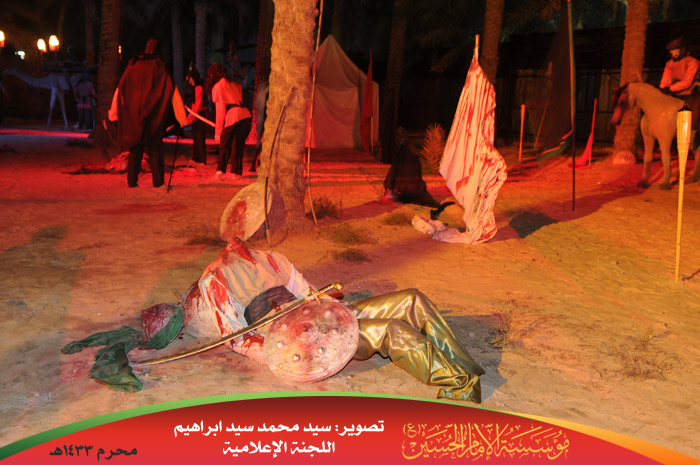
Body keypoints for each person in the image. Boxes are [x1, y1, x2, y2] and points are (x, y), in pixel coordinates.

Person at [186, 237, 484, 402]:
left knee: (411, 298)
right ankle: (460, 386)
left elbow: (309, 294)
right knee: (391, 330)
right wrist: (277, 354)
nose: (238, 246)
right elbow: (236, 338)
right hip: (297, 336)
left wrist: (347, 312)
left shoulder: (273, 257)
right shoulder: (216, 277)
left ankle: (466, 364)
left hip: (319, 314)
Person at [108, 38, 187, 188]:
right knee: (154, 148)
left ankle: (132, 182)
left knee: (135, 148)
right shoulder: (160, 67)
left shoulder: (133, 65)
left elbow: (121, 88)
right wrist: (181, 117)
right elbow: (172, 91)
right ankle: (158, 182)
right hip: (153, 116)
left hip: (135, 115)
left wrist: (113, 113)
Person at [206, 63, 251, 180]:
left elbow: (220, 111)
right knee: (238, 145)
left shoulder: (219, 87)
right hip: (244, 115)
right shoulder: (235, 84)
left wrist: (218, 132)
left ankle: (220, 172)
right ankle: (236, 172)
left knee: (224, 145)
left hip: (233, 116)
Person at [660, 37, 700, 144]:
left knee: (694, 112)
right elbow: (665, 80)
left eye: (676, 49)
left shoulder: (692, 62)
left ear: (682, 49)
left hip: (692, 91)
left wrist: (670, 88)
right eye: (671, 50)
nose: (673, 53)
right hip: (676, 93)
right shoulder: (669, 64)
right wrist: (663, 87)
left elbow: (687, 82)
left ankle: (691, 140)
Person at [184, 67, 208, 164]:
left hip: (199, 114)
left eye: (189, 78)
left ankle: (202, 159)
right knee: (195, 136)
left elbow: (198, 104)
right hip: (195, 113)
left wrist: (190, 118)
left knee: (199, 137)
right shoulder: (194, 87)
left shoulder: (199, 87)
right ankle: (196, 157)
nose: (188, 80)